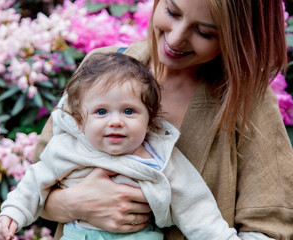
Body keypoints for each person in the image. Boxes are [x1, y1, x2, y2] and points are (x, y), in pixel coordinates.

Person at [33, 0, 293, 239]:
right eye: (173, 12)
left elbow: (270, 228)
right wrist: (74, 204)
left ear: (237, 38)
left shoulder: (249, 101)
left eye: (204, 32)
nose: (176, 39)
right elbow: (37, 185)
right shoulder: (99, 70)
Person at [0, 52, 240, 240]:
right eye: (101, 111)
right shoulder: (67, 149)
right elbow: (34, 183)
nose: (115, 122)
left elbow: (194, 204)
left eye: (129, 111)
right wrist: (12, 213)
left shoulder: (160, 157)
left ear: (149, 120)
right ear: (80, 121)